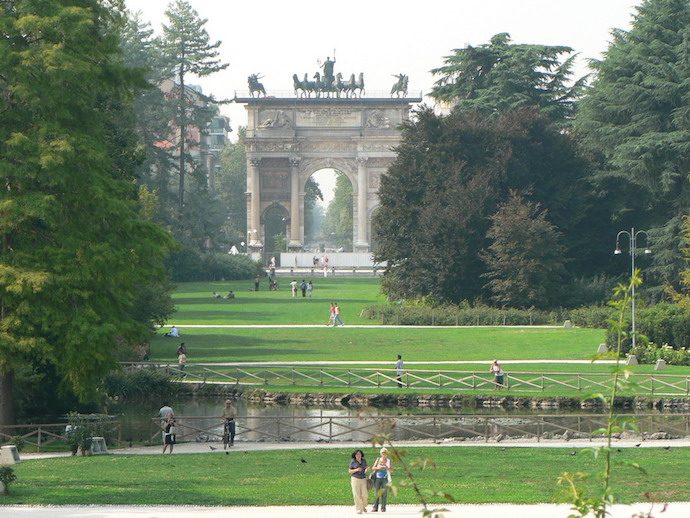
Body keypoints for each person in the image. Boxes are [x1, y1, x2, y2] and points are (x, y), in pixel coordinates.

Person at [371, 447, 393, 512]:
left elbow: (392, 470)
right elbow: (373, 468)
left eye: (385, 453)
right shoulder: (378, 459)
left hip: (385, 479)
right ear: (381, 454)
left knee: (384, 493)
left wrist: (387, 467)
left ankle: (383, 507)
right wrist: (378, 467)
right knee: (377, 493)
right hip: (377, 478)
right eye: (383, 453)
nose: (384, 454)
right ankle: (375, 507)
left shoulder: (389, 461)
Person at [348, 449, 368, 514]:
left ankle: (363, 506)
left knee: (365, 494)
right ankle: (359, 509)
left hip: (363, 479)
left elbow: (366, 467)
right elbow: (349, 471)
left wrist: (366, 469)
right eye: (357, 454)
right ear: (355, 455)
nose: (358, 455)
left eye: (359, 454)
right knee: (357, 494)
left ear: (361, 455)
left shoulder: (364, 461)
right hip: (355, 479)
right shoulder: (353, 461)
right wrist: (356, 469)